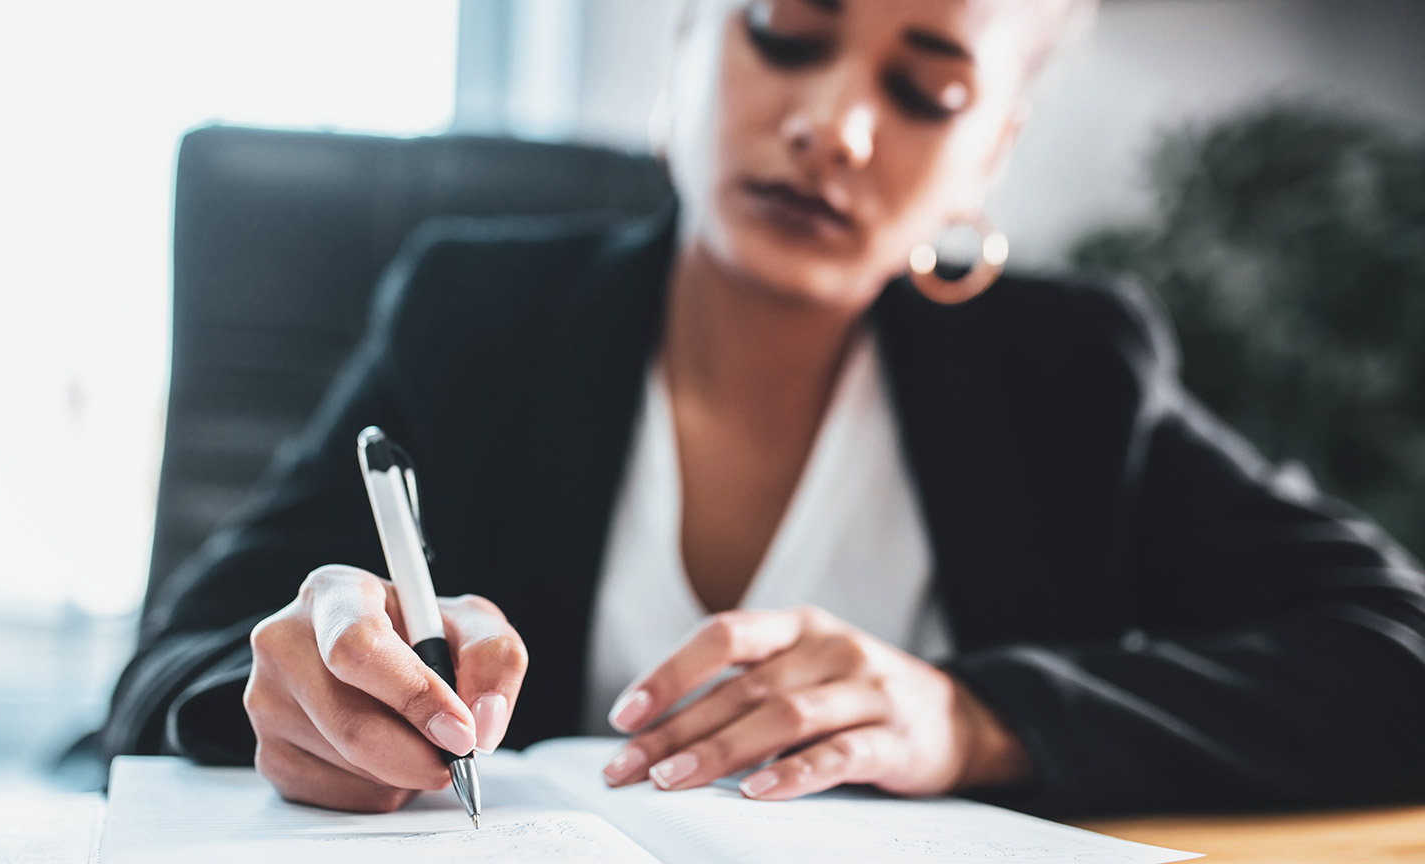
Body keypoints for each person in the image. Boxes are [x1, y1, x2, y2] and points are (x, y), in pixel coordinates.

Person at [101, 0, 1425, 818]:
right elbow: (181, 658)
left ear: (993, 152)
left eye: (928, 90)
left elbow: (1397, 654)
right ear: (692, 31)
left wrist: (972, 718)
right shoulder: (478, 318)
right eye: (790, 29)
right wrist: (288, 685)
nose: (836, 127)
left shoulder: (1070, 374)